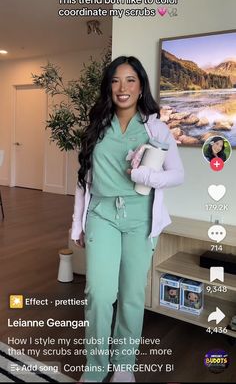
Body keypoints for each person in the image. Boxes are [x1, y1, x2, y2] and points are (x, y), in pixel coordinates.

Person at [71, 55, 184, 383]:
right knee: (99, 294)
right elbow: (83, 181)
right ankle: (96, 364)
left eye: (130, 80)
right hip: (102, 215)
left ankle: (123, 364)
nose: (122, 88)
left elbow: (177, 174)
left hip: (140, 219)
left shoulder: (155, 127)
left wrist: (149, 175)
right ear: (109, 86)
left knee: (132, 295)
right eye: (116, 80)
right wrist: (76, 224)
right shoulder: (97, 125)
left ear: (140, 86)